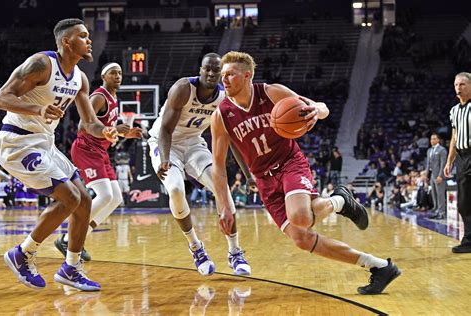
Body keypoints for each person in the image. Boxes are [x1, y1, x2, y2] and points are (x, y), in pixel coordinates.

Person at [211, 51, 400, 295]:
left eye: (230, 74)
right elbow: (218, 165)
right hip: (264, 179)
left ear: (247, 75)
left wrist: (318, 111)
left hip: (289, 162)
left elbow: (319, 107)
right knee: (302, 239)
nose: (224, 79)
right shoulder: (221, 116)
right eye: (222, 75)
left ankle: (340, 200)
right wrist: (224, 205)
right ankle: (380, 267)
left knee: (300, 217)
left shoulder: (271, 92)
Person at [0, 18, 118, 291]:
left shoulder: (80, 78)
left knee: (85, 201)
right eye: (83, 36)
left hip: (45, 142)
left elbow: (89, 122)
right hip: (17, 142)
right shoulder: (42, 64)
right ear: (66, 41)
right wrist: (37, 110)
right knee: (71, 198)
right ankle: (23, 254)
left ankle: (71, 269)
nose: (89, 41)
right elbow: (1, 96)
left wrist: (106, 131)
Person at [148, 52, 251, 276]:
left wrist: (248, 174)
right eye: (207, 69)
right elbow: (165, 129)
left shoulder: (224, 98)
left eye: (216, 70)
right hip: (165, 143)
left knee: (221, 187)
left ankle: (235, 252)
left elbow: (232, 138)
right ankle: (196, 247)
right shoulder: (183, 88)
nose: (211, 74)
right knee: (175, 189)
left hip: (194, 143)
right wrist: (165, 158)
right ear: (201, 69)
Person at [54, 62, 142, 261]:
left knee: (116, 198)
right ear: (104, 76)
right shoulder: (99, 96)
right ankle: (69, 238)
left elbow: (109, 131)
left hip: (100, 152)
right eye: (113, 73)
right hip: (86, 150)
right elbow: (84, 124)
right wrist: (113, 131)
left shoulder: (113, 98)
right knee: (104, 195)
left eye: (120, 72)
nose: (118, 76)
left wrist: (125, 134)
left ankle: (77, 237)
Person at [444, 72, 471, 253]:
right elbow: (454, 138)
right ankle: (468, 240)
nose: (458, 88)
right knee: (463, 201)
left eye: (462, 84)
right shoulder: (454, 111)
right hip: (462, 157)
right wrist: (449, 161)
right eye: (456, 85)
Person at [426, 133, 447, 219]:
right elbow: (428, 164)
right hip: (431, 175)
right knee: (434, 194)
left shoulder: (442, 150)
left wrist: (440, 175)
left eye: (434, 139)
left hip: (438, 175)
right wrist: (427, 175)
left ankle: (442, 213)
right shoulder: (429, 150)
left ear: (438, 140)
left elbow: (443, 164)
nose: (432, 141)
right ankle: (436, 210)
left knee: (440, 194)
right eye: (431, 139)